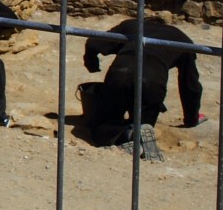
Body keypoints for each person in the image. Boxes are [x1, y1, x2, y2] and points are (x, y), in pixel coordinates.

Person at [83, 16, 204, 156]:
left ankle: (126, 135)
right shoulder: (182, 38)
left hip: (119, 75)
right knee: (143, 125)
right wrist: (191, 119)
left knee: (101, 127)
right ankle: (137, 137)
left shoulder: (132, 25)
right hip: (153, 82)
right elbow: (190, 85)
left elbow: (93, 42)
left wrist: (91, 63)